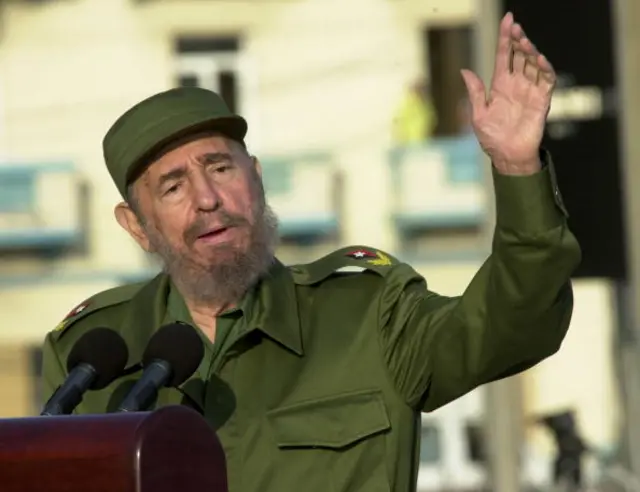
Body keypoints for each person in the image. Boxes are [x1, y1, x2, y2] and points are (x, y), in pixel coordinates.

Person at [41, 12, 580, 492]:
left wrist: (516, 168)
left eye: (221, 168)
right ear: (137, 226)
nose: (209, 200)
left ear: (256, 179)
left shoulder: (368, 314)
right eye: (174, 187)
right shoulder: (93, 357)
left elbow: (516, 324)